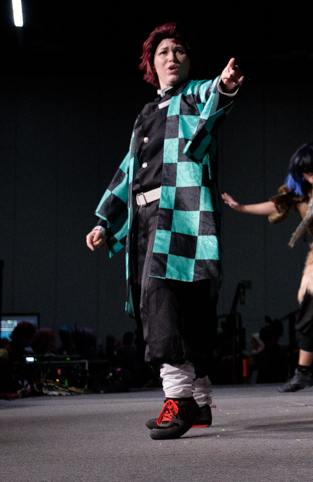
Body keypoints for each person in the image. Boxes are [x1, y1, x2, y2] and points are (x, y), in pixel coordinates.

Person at [85, 22, 242, 439]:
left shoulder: (192, 95)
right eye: (163, 53)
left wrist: (225, 86)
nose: (172, 58)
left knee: (164, 303)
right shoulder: (146, 114)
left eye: (179, 51)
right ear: (151, 65)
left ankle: (180, 400)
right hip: (147, 219)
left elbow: (214, 96)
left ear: (189, 62)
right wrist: (105, 221)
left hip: (180, 215)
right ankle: (201, 403)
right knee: (184, 306)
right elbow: (127, 171)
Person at [222, 142, 313, 393]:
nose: (310, 174)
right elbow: (275, 206)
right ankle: (303, 372)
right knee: (310, 314)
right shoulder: (300, 192)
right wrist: (240, 207)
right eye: (305, 171)